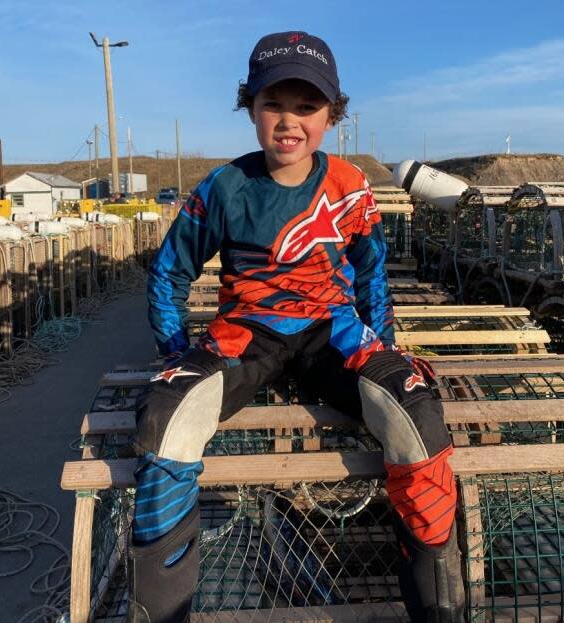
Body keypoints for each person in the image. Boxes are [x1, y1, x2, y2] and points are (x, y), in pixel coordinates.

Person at [129, 31, 464, 623]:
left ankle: (439, 611)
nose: (289, 121)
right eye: (273, 103)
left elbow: (372, 272)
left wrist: (381, 350)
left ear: (332, 115)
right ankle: (160, 612)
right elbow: (169, 270)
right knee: (163, 416)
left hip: (330, 332)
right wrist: (175, 352)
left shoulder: (350, 186)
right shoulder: (224, 187)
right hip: (246, 334)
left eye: (307, 106)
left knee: (416, 411)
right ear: (250, 108)